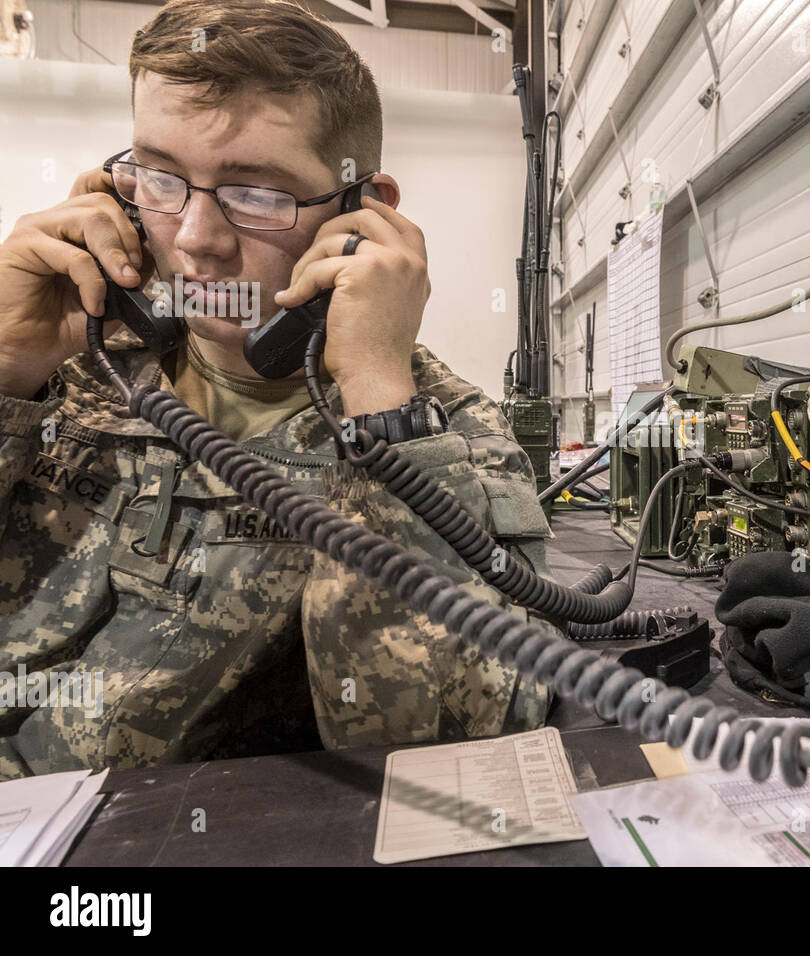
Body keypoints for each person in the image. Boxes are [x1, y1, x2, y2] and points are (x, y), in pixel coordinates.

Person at [0, 0, 554, 780]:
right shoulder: (58, 366)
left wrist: (379, 402)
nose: (195, 239)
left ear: (364, 215)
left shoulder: (442, 437)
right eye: (160, 178)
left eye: (256, 193)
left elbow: (445, 752)